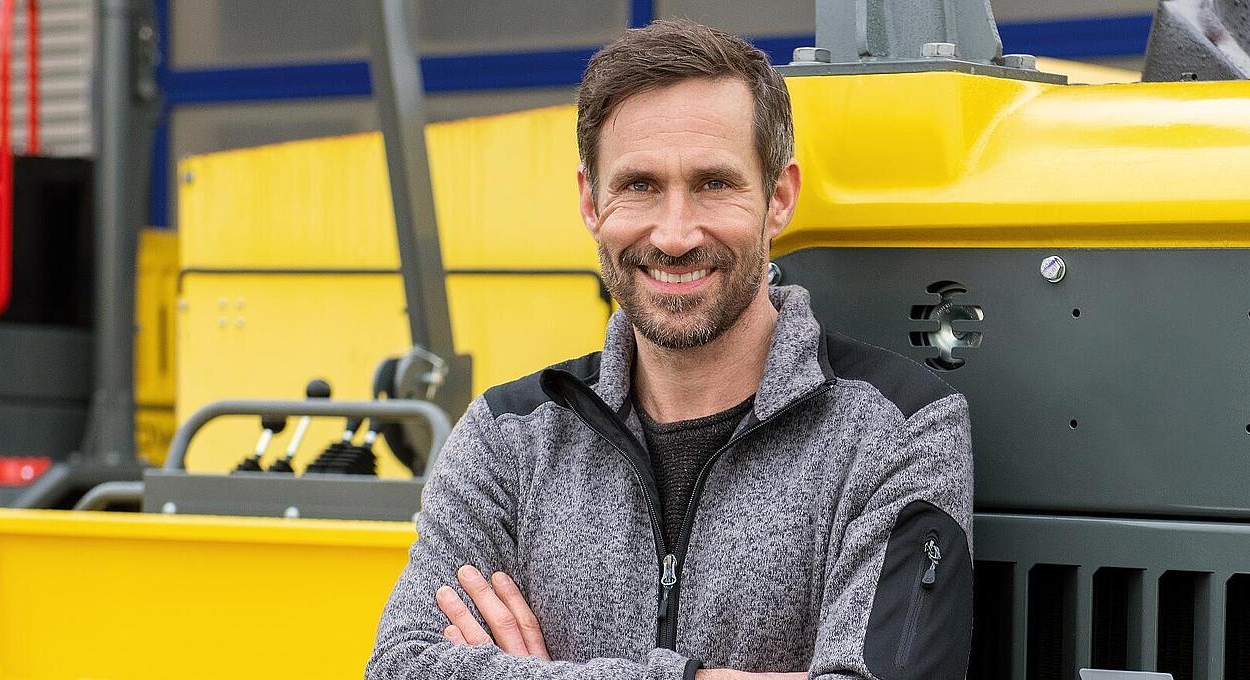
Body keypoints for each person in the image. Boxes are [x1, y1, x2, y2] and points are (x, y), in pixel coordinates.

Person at [366, 18, 973, 680]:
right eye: (639, 185)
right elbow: (402, 665)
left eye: (713, 183)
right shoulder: (507, 439)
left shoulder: (898, 429)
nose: (675, 233)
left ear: (778, 199)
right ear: (589, 201)